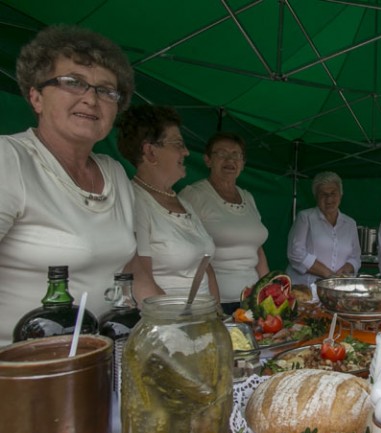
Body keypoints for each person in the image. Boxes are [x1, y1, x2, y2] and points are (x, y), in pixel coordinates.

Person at [0, 25, 161, 344]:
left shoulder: (114, 173)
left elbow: (134, 270)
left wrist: (181, 324)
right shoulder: (9, 160)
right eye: (73, 83)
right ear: (36, 97)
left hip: (101, 363)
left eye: (105, 90)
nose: (90, 98)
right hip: (23, 373)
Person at [116, 105, 219, 301]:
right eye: (178, 144)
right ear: (150, 152)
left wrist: (217, 313)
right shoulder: (135, 202)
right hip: (169, 325)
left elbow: (206, 268)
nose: (187, 152)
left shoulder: (181, 202)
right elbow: (140, 279)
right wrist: (176, 326)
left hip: (203, 321)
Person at [179, 132, 269, 315]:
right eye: (221, 153)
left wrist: (268, 291)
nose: (229, 160)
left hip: (253, 301)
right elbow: (189, 252)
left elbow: (258, 249)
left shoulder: (248, 197)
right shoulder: (193, 195)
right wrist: (215, 304)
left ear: (243, 163)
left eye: (236, 155)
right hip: (216, 303)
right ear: (207, 160)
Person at [286, 171, 361, 286]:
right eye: (323, 194)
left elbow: (355, 257)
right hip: (304, 289)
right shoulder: (305, 217)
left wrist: (345, 270)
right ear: (316, 196)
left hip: (336, 289)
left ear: (341, 194)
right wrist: (329, 275)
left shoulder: (350, 223)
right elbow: (295, 253)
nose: (329, 199)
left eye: (333, 193)